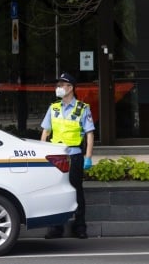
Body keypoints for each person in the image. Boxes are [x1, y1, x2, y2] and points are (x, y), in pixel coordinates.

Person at [40, 72, 94, 239]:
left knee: (76, 191)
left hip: (74, 155)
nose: (59, 88)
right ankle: (56, 228)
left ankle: (80, 227)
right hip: (56, 157)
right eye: (58, 85)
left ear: (71, 88)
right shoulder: (53, 108)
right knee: (54, 191)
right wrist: (42, 153)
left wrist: (88, 156)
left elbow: (89, 134)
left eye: (62, 85)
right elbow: (45, 132)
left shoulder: (82, 108)